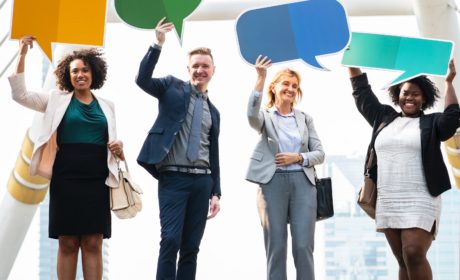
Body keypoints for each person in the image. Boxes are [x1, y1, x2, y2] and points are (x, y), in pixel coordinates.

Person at [9, 35, 124, 280]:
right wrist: (22, 54)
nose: (80, 74)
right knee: (68, 241)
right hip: (66, 177)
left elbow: (111, 142)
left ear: (94, 73)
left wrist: (119, 148)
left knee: (93, 241)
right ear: (67, 75)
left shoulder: (107, 106)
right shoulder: (55, 100)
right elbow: (19, 95)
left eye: (85, 70)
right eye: (75, 71)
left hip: (97, 177)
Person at [347, 59, 459, 280]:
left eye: (416, 94)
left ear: (424, 98)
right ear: (397, 94)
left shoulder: (432, 123)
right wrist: (352, 59)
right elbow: (361, 92)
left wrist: (448, 82)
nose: (409, 97)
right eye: (405, 92)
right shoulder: (383, 117)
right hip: (389, 197)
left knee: (413, 252)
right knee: (402, 259)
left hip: (422, 196)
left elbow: (452, 118)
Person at [134, 18, 221, 280]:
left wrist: (216, 192)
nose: (200, 70)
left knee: (191, 248)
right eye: (195, 66)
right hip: (173, 178)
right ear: (188, 69)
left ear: (213, 70)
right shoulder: (171, 87)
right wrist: (157, 43)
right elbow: (143, 79)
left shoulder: (214, 112)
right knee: (170, 240)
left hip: (202, 182)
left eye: (205, 66)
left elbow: (213, 154)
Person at [246, 55, 325, 280]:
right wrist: (260, 77)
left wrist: (297, 157)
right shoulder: (265, 117)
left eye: (294, 86)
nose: (290, 89)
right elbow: (251, 114)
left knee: (302, 247)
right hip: (272, 184)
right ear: (275, 87)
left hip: (303, 184)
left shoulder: (305, 119)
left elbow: (320, 154)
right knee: (276, 249)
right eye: (286, 84)